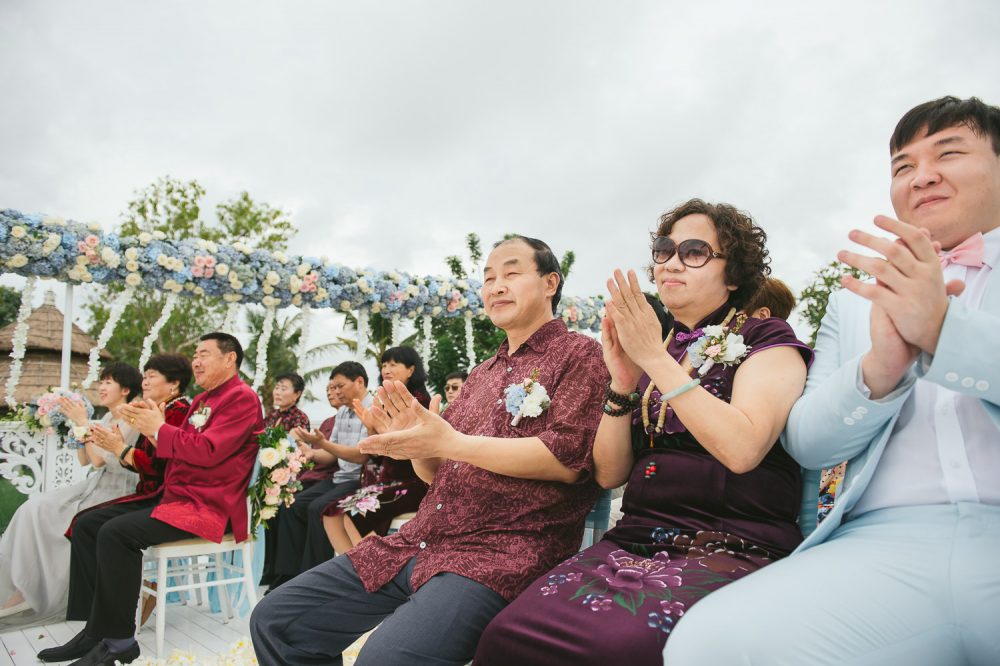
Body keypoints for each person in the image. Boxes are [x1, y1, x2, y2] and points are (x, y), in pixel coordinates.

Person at [664, 96, 1000, 665]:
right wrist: (879, 373)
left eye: (948, 153)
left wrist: (944, 334)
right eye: (902, 166)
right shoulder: (853, 304)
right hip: (884, 541)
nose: (923, 176)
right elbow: (810, 443)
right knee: (711, 646)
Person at [474, 200, 812, 664]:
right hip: (637, 538)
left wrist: (653, 359)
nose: (671, 262)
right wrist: (622, 383)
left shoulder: (766, 338)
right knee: (505, 635)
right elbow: (611, 473)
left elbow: (742, 449)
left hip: (732, 541)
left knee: (614, 648)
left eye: (694, 252)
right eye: (664, 249)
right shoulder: (662, 350)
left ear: (732, 274)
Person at [250, 235, 609, 665]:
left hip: (502, 553)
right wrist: (414, 444)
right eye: (488, 277)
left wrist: (451, 441)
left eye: (511, 273)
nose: (495, 286)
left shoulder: (580, 355)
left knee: (384, 660)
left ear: (551, 283)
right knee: (276, 620)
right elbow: (436, 471)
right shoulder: (482, 374)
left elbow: (569, 462)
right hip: (420, 541)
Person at [38, 332, 263, 666]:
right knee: (87, 524)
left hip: (208, 506)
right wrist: (145, 427)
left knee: (117, 533)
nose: (196, 361)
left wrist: (157, 427)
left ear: (229, 359)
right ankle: (95, 631)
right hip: (175, 495)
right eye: (195, 354)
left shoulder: (242, 398)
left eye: (204, 354)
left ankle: (118, 642)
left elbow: (209, 451)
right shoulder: (203, 401)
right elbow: (176, 451)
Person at [0, 363, 141, 627]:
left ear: (125, 389)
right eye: (101, 381)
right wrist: (77, 428)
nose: (102, 387)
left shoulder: (129, 420)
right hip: (95, 485)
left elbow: (100, 461)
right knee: (33, 508)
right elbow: (85, 461)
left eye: (109, 382)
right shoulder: (108, 419)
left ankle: (38, 590)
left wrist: (82, 422)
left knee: (59, 523)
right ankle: (25, 586)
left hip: (117, 491)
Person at [70, 354, 193, 627]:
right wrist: (119, 448)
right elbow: (144, 463)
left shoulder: (178, 412)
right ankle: (89, 617)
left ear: (173, 384)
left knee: (103, 527)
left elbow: (161, 467)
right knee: (84, 523)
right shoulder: (155, 408)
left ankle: (107, 620)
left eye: (151, 376)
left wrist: (119, 449)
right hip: (147, 489)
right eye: (145, 375)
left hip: (164, 496)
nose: (145, 381)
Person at [270, 361, 372, 588]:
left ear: (360, 382)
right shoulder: (344, 412)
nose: (335, 392)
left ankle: (315, 579)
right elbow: (331, 456)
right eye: (333, 387)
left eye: (340, 386)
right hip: (340, 478)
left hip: (362, 480)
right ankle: (288, 576)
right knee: (292, 504)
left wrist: (322, 443)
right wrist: (312, 452)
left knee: (318, 508)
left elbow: (361, 457)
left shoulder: (372, 409)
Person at [320, 346, 431, 553]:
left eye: (393, 364)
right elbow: (378, 459)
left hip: (416, 482)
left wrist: (379, 427)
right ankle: (350, 575)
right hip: (388, 481)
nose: (386, 369)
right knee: (331, 514)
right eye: (384, 364)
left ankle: (373, 571)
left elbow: (411, 451)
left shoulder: (420, 403)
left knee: (354, 513)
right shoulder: (384, 404)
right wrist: (371, 428)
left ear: (411, 370)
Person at [260, 372, 343, 588]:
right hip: (302, 474)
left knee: (290, 504)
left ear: (297, 394)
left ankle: (293, 574)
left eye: (284, 388)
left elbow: (308, 454)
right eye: (277, 387)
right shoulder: (271, 416)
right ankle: (272, 569)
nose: (278, 392)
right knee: (274, 507)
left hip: (311, 475)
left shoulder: (299, 419)